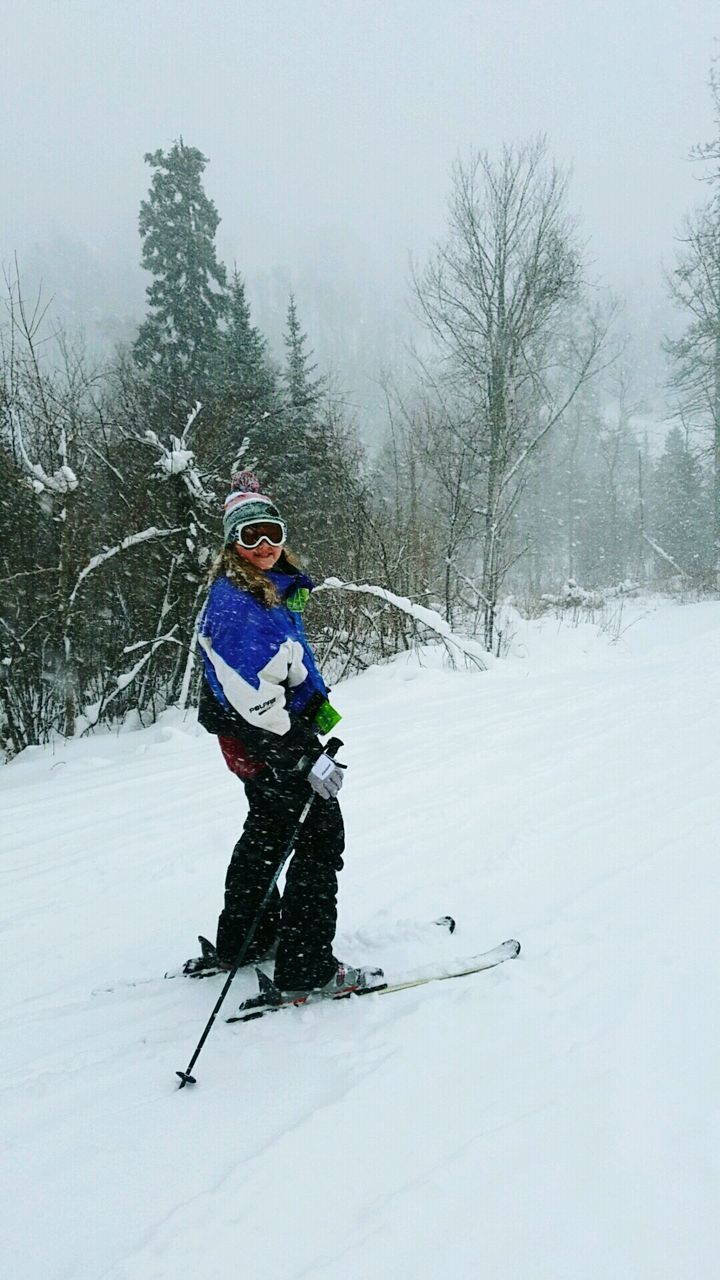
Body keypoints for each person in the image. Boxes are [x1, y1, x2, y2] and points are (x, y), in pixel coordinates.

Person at [189, 471, 379, 999]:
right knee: (319, 836)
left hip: (263, 741)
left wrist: (318, 713)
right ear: (233, 544)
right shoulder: (238, 605)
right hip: (270, 741)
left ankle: (245, 940)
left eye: (272, 531)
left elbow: (286, 668)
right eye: (250, 537)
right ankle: (305, 966)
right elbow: (259, 700)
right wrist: (305, 756)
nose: (265, 545)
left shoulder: (270, 589)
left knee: (268, 830)